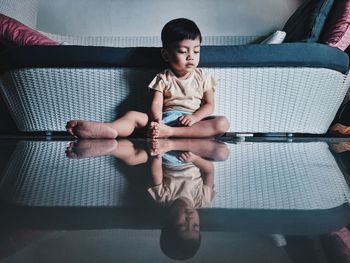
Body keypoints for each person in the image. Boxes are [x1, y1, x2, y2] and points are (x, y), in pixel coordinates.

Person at [66, 18, 230, 139]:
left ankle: (171, 133)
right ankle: (109, 129)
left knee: (222, 123)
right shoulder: (163, 77)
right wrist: (157, 122)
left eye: (196, 51)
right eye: (183, 51)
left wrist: (194, 117)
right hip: (164, 118)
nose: (191, 57)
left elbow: (209, 105)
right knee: (133, 116)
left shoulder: (204, 76)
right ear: (166, 54)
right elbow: (156, 103)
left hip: (191, 122)